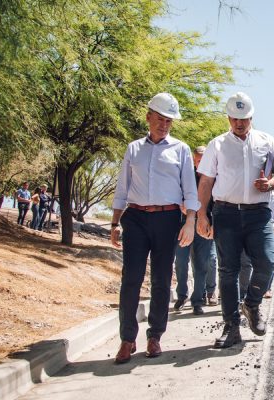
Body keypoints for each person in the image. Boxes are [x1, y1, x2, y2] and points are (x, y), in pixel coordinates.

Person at [109, 92, 199, 364]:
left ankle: (155, 336)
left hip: (167, 218)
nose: (164, 125)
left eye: (169, 121)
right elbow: (122, 189)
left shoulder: (181, 149)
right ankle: (127, 339)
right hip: (135, 219)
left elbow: (190, 191)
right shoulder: (133, 148)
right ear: (148, 117)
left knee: (161, 279)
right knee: (131, 279)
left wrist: (190, 223)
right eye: (160, 119)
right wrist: (114, 223)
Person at [196, 92, 274, 349]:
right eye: (235, 118)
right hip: (225, 214)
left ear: (251, 117)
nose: (239, 123)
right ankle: (231, 327)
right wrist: (202, 214)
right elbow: (206, 181)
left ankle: (251, 304)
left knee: (267, 263)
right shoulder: (217, 145)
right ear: (228, 117)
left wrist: (270, 183)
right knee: (228, 271)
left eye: (244, 118)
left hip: (259, 213)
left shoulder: (266, 141)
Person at [172, 145, 218, 315]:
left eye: (203, 160)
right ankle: (181, 296)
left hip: (205, 225)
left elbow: (218, 202)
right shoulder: (185, 174)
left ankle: (198, 300)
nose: (200, 163)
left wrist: (213, 224)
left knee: (203, 264)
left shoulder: (215, 177)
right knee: (181, 262)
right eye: (197, 160)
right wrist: (181, 205)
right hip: (183, 224)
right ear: (193, 159)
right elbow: (175, 193)